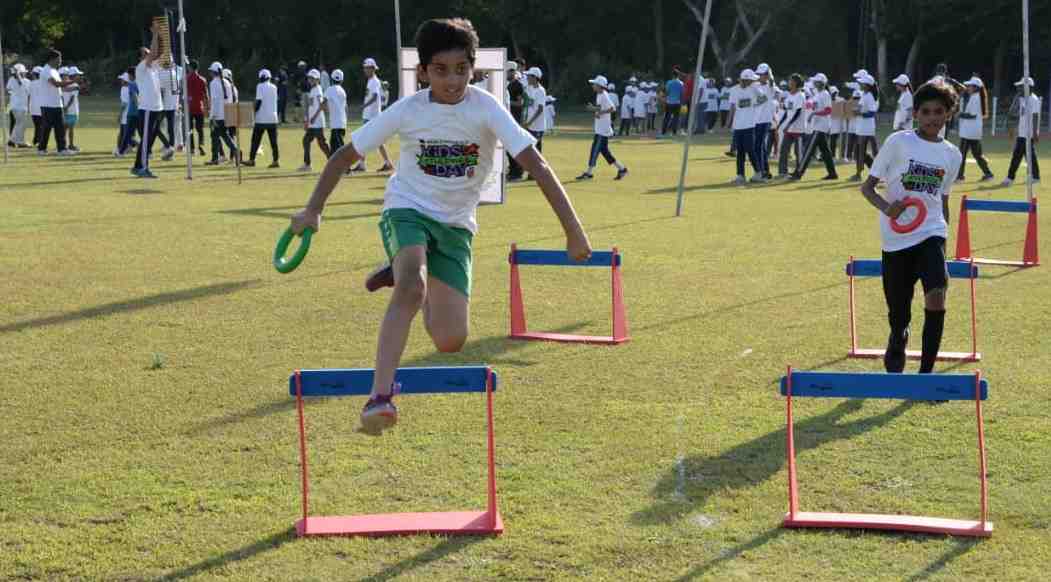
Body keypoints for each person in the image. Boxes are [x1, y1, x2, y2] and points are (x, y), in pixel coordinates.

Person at [288, 18, 591, 434]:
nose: (452, 79)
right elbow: (343, 155)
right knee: (413, 288)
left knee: (450, 340)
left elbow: (535, 164)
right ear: (423, 72)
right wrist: (313, 210)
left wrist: (573, 230)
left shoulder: (486, 108)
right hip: (408, 209)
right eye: (441, 70)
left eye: (462, 69)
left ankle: (404, 271)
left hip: (455, 226)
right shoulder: (409, 110)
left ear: (474, 68)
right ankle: (379, 398)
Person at [859, 81, 962, 375]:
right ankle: (897, 338)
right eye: (926, 111)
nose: (932, 117)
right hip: (896, 238)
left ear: (948, 115)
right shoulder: (898, 142)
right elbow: (867, 189)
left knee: (937, 295)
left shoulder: (952, 154)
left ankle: (926, 374)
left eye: (939, 112)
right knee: (899, 312)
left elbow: (943, 199)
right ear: (916, 113)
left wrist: (945, 239)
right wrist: (887, 207)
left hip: (931, 232)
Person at [577, 75, 629, 180]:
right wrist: (597, 111)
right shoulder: (600, 95)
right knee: (605, 152)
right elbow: (600, 108)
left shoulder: (604, 95)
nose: (593, 86)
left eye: (595, 84)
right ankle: (622, 169)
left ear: (600, 86)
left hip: (602, 130)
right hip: (600, 128)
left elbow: (612, 108)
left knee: (594, 150)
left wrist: (596, 110)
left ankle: (589, 173)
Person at [131, 25, 167, 178]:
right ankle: (142, 168)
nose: (150, 55)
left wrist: (161, 37)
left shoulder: (153, 67)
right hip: (147, 109)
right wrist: (155, 35)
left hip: (156, 109)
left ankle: (138, 166)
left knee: (149, 140)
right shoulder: (141, 68)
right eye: (146, 54)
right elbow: (154, 53)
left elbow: (159, 52)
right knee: (146, 140)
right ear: (141, 57)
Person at [350, 58, 395, 173]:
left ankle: (363, 164)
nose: (365, 70)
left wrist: (364, 106)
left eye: (366, 68)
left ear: (371, 69)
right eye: (364, 68)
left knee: (365, 140)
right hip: (370, 115)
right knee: (375, 141)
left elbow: (375, 97)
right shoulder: (371, 81)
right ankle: (385, 163)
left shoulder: (374, 81)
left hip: (371, 115)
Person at [792, 73, 838, 181]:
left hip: (821, 127)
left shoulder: (825, 94)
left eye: (817, 81)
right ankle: (832, 173)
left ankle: (799, 173)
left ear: (822, 83)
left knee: (808, 150)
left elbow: (828, 110)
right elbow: (812, 105)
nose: (815, 83)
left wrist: (814, 114)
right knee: (825, 152)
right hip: (818, 126)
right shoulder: (818, 94)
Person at [37, 50, 77, 155]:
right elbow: (57, 84)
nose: (60, 61)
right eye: (59, 59)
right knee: (47, 128)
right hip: (48, 104)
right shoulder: (46, 70)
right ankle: (41, 149)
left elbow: (61, 88)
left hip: (57, 104)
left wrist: (76, 87)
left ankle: (62, 149)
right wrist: (73, 81)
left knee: (60, 128)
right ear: (52, 59)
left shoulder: (54, 71)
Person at [1003, 77, 1041, 186]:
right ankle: (1034, 176)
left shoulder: (1033, 99)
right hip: (1022, 132)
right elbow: (1017, 114)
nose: (1019, 88)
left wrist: (1035, 132)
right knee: (1026, 155)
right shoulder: (1022, 98)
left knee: (1021, 155)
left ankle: (1011, 178)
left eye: (1021, 87)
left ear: (1028, 87)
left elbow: (1035, 116)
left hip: (1028, 133)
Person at [728, 68, 763, 184]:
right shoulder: (733, 90)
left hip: (749, 124)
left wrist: (755, 103)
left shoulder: (753, 89)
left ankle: (758, 173)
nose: (751, 82)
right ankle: (740, 175)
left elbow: (764, 99)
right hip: (738, 125)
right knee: (740, 151)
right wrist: (729, 122)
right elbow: (732, 107)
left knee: (750, 149)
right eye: (750, 80)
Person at [957, 76, 993, 182]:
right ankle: (988, 174)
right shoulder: (977, 97)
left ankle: (960, 177)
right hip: (974, 131)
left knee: (961, 155)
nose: (968, 87)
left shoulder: (975, 98)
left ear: (976, 87)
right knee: (977, 155)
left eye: (970, 86)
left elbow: (972, 115)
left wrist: (960, 115)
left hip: (968, 132)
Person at [245, 68, 280, 168]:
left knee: (255, 140)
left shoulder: (259, 86)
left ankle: (252, 160)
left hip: (261, 118)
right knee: (274, 142)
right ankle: (276, 160)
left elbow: (259, 102)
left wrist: (252, 112)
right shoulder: (274, 87)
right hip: (273, 118)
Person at [205, 61, 238, 165]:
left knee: (215, 135)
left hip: (218, 115)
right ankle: (235, 151)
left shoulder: (213, 83)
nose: (210, 73)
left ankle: (215, 158)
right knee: (224, 135)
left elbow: (214, 101)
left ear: (214, 72)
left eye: (211, 71)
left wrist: (212, 116)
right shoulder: (227, 82)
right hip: (226, 114)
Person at [849, 74, 879, 182]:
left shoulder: (869, 96)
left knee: (861, 151)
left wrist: (859, 113)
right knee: (860, 151)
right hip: (863, 127)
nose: (860, 84)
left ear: (867, 85)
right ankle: (859, 173)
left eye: (862, 83)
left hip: (866, 128)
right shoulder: (865, 95)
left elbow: (872, 113)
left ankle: (859, 174)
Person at [298, 68, 329, 172]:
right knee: (306, 140)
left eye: (313, 79)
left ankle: (332, 161)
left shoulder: (318, 90)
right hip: (312, 123)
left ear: (317, 80)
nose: (310, 80)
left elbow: (322, 105)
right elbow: (311, 107)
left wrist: (314, 117)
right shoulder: (312, 90)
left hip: (318, 122)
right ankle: (307, 164)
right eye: (309, 78)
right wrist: (307, 120)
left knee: (322, 144)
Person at [776, 74, 806, 179]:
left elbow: (797, 112)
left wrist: (788, 124)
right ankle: (782, 172)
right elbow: (787, 112)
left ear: (796, 83)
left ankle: (798, 173)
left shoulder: (800, 95)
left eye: (791, 80)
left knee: (798, 153)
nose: (789, 82)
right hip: (789, 129)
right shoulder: (789, 95)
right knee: (784, 150)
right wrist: (780, 123)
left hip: (798, 129)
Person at [505, 61, 526, 180]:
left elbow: (520, 102)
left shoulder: (517, 85)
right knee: (508, 148)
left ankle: (517, 172)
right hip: (509, 118)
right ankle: (513, 171)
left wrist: (506, 102)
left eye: (511, 71)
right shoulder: (507, 84)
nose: (509, 73)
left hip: (515, 118)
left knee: (513, 147)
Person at [185, 60, 208, 157]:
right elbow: (206, 95)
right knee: (200, 129)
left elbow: (183, 93)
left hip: (189, 107)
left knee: (189, 129)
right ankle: (201, 145)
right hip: (200, 107)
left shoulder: (186, 78)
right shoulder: (203, 80)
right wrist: (207, 107)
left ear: (190, 67)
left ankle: (192, 149)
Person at [523, 67, 547, 155]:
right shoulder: (530, 88)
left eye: (529, 76)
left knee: (535, 151)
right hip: (530, 126)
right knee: (531, 149)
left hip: (538, 127)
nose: (527, 78)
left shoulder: (540, 91)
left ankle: (540, 167)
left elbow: (540, 109)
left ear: (534, 77)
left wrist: (529, 122)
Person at [61, 67, 86, 152]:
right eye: (77, 75)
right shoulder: (75, 85)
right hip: (72, 109)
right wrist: (67, 107)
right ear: (74, 75)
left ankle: (63, 145)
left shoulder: (63, 84)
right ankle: (71, 145)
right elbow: (72, 98)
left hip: (64, 109)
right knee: (70, 128)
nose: (79, 76)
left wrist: (64, 107)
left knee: (64, 128)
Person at [325, 68, 348, 160]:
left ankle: (347, 168)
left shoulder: (329, 89)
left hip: (335, 123)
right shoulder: (343, 91)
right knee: (334, 148)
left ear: (332, 79)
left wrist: (320, 113)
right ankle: (333, 168)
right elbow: (346, 106)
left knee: (340, 148)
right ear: (341, 80)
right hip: (342, 122)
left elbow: (323, 103)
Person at [6, 64, 31, 147]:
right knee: (20, 125)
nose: (25, 74)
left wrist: (17, 74)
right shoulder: (24, 81)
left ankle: (17, 141)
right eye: (23, 72)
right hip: (20, 107)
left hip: (15, 106)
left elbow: (10, 89)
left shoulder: (13, 80)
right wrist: (17, 74)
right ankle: (15, 141)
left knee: (19, 125)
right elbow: (18, 84)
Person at [661, 70, 684, 136]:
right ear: (678, 75)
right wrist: (681, 101)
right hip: (677, 103)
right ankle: (674, 132)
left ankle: (663, 131)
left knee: (667, 117)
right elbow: (682, 94)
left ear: (672, 75)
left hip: (669, 103)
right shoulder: (681, 83)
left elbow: (667, 92)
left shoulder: (669, 82)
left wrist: (664, 97)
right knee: (676, 118)